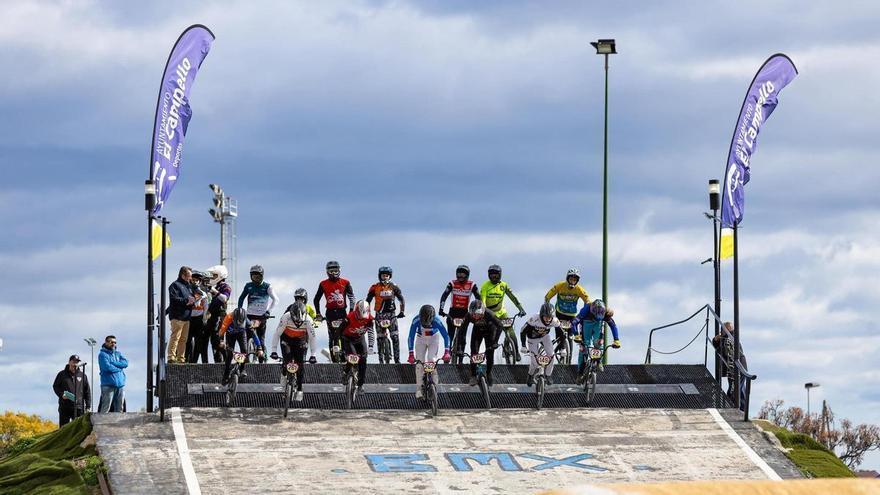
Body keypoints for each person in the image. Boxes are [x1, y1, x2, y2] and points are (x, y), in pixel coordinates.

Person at [270, 302, 317, 401]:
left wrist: (313, 355)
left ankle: (299, 389)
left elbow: (312, 338)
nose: (298, 323)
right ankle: (284, 372)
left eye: (300, 322)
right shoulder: (285, 317)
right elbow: (277, 334)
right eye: (295, 321)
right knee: (287, 360)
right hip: (287, 340)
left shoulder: (309, 320)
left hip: (301, 341)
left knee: (300, 365)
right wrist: (274, 351)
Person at [480, 264, 527, 361]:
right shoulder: (485, 286)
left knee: (511, 332)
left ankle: (516, 351)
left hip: (502, 313)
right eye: (492, 275)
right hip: (490, 315)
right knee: (492, 338)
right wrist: (484, 312)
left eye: (496, 274)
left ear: (500, 275)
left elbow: (513, 297)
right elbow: (483, 301)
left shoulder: (504, 285)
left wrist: (521, 309)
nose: (494, 276)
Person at [313, 261, 355, 361]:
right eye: (331, 271)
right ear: (327, 272)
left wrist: (351, 311)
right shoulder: (323, 283)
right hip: (330, 313)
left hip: (342, 312)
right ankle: (333, 358)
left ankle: (345, 354)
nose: (333, 273)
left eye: (335, 271)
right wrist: (318, 313)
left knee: (344, 334)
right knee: (331, 336)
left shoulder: (345, 282)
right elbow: (316, 299)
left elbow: (352, 297)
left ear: (339, 270)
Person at [407, 305, 450, 399]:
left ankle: (434, 385)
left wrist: (447, 351)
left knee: (431, 359)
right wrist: (411, 354)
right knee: (420, 363)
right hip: (420, 339)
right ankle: (419, 389)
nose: (426, 325)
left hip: (433, 339)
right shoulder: (416, 320)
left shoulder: (437, 321)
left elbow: (446, 336)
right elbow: (411, 336)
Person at [438, 265, 481, 361]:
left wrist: (478, 311)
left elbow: (479, 298)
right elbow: (444, 296)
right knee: (450, 335)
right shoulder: (452, 283)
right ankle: (447, 354)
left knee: (463, 336)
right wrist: (441, 309)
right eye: (459, 273)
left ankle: (460, 357)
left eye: (463, 274)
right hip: (452, 312)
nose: (460, 275)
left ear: (467, 275)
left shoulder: (472, 285)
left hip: (464, 313)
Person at [237, 265, 280, 358]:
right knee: (247, 337)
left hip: (262, 316)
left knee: (261, 339)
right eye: (254, 277)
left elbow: (276, 299)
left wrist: (268, 311)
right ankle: (246, 358)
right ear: (251, 276)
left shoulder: (267, 286)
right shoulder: (248, 286)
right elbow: (241, 298)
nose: (256, 279)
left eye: (258, 277)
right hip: (249, 315)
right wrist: (239, 310)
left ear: (262, 276)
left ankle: (262, 357)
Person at [365, 266, 406, 363]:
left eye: (387, 276)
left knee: (395, 337)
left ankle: (397, 360)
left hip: (391, 315)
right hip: (379, 315)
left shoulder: (394, 286)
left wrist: (402, 311)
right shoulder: (374, 287)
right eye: (383, 275)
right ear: (380, 276)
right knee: (380, 338)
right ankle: (381, 360)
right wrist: (367, 314)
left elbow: (401, 299)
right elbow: (367, 301)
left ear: (390, 276)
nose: (385, 277)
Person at [572, 299, 621, 379]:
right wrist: (576, 335)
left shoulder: (606, 313)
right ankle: (580, 372)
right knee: (584, 347)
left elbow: (613, 326)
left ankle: (599, 361)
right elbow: (574, 322)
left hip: (598, 325)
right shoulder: (585, 310)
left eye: (601, 314)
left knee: (598, 343)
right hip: (586, 324)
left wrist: (616, 340)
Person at [544, 268, 590, 351]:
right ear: (567, 278)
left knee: (570, 336)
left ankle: (569, 355)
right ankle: (560, 347)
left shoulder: (579, 289)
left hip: (571, 315)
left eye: (574, 280)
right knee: (559, 332)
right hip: (560, 313)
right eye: (571, 279)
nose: (572, 281)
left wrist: (585, 312)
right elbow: (548, 296)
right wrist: (547, 307)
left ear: (577, 281)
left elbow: (587, 301)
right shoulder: (560, 285)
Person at [218, 308, 264, 385]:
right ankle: (226, 374)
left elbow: (254, 334)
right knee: (229, 354)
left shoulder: (247, 321)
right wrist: (221, 341)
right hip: (230, 334)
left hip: (241, 334)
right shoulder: (228, 318)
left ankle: (242, 369)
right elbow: (222, 331)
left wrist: (259, 348)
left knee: (244, 351)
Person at [520, 303, 560, 386]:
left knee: (551, 356)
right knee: (535, 363)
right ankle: (530, 375)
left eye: (550, 317)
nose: (548, 320)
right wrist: (523, 345)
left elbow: (562, 334)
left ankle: (548, 375)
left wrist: (562, 348)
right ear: (541, 315)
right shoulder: (534, 318)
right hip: (532, 339)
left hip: (544, 337)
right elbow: (522, 331)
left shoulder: (555, 321)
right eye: (546, 317)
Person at [340, 300, 374, 396]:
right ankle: (346, 372)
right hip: (348, 339)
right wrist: (338, 346)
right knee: (353, 358)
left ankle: (360, 385)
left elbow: (371, 333)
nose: (361, 319)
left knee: (363, 360)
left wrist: (371, 346)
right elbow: (339, 331)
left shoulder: (370, 319)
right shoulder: (349, 317)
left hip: (360, 339)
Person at [465, 300, 503, 386]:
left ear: (482, 311)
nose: (475, 317)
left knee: (490, 352)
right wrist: (460, 347)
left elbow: (500, 325)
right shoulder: (468, 316)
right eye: (473, 315)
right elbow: (462, 330)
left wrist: (495, 342)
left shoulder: (489, 314)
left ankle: (489, 373)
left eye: (478, 314)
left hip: (490, 331)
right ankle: (473, 375)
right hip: (477, 331)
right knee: (474, 352)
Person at [712, 321, 748, 409]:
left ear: (726, 329)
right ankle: (743, 411)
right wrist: (716, 340)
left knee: (733, 392)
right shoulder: (732, 337)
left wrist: (716, 339)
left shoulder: (728, 338)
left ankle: (733, 410)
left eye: (722, 330)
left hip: (736, 368)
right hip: (738, 367)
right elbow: (721, 348)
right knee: (740, 390)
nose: (720, 332)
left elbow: (720, 350)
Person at [167, 266, 195, 363]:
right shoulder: (174, 285)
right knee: (175, 337)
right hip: (177, 316)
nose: (190, 278)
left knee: (183, 339)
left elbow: (191, 298)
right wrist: (186, 300)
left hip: (187, 317)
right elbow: (173, 299)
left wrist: (193, 301)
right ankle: (171, 357)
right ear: (183, 275)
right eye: (189, 276)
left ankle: (181, 358)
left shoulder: (189, 287)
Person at [53, 355, 90, 426]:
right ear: (69, 362)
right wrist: (61, 395)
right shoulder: (61, 374)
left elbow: (87, 391)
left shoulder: (83, 375)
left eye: (77, 362)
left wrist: (88, 406)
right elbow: (55, 386)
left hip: (78, 407)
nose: (75, 364)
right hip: (65, 406)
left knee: (78, 428)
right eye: (73, 361)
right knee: (64, 428)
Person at [205, 265, 232, 363]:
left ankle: (226, 360)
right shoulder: (214, 287)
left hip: (221, 316)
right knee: (213, 342)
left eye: (214, 275)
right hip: (212, 316)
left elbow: (225, 298)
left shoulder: (226, 287)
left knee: (219, 340)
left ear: (221, 275)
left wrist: (214, 291)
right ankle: (218, 362)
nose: (212, 277)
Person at [97, 335, 128, 413]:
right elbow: (107, 368)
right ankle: (102, 421)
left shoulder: (118, 353)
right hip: (108, 385)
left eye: (115, 342)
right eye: (111, 342)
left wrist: (113, 363)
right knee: (105, 408)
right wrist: (120, 368)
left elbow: (125, 363)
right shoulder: (102, 354)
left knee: (120, 409)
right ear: (106, 342)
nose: (113, 344)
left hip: (120, 385)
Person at [186, 271, 211, 363]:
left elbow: (206, 307)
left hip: (199, 320)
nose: (195, 282)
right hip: (189, 319)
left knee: (198, 342)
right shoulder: (187, 291)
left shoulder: (203, 293)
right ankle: (185, 360)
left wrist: (204, 319)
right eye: (193, 280)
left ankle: (194, 361)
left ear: (200, 281)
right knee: (187, 340)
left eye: (197, 280)